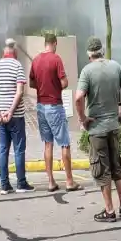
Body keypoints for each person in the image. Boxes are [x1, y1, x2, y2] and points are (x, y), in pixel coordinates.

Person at [74, 37, 121, 222]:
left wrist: (83, 119)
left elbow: (78, 98)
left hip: (97, 128)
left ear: (88, 54)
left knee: (103, 170)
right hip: (114, 126)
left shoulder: (87, 71)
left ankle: (109, 211)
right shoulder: (115, 66)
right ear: (101, 51)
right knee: (117, 166)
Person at [28, 32, 81, 192]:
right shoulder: (56, 59)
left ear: (45, 43)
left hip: (41, 106)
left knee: (48, 144)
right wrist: (57, 86)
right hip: (55, 106)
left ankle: (51, 182)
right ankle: (69, 181)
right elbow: (64, 82)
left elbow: (31, 82)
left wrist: (43, 87)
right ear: (55, 43)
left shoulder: (36, 60)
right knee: (64, 143)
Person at [0, 38, 33, 194]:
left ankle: (4, 185)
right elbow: (19, 91)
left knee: (3, 149)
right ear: (15, 52)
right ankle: (21, 183)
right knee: (19, 149)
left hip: (1, 117)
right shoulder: (17, 66)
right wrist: (11, 111)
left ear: (3, 52)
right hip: (16, 116)